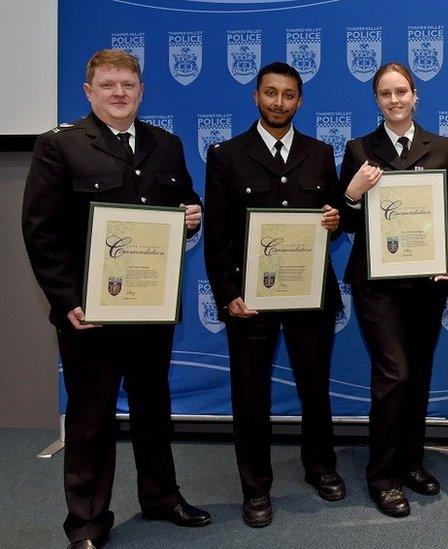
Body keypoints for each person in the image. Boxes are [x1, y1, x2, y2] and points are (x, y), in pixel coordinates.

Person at [21, 48, 210, 548]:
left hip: (149, 309)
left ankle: (161, 496)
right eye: (108, 85)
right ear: (89, 91)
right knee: (89, 418)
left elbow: (183, 206)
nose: (119, 93)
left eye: (128, 84)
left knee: (154, 408)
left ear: (142, 90)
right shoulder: (58, 146)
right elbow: (41, 232)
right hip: (91, 314)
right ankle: (86, 523)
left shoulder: (165, 145)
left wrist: (192, 217)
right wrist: (65, 302)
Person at [203, 61, 344, 528]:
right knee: (250, 396)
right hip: (251, 298)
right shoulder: (226, 155)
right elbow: (218, 235)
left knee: (314, 388)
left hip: (309, 296)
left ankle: (321, 467)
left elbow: (335, 215)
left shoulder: (321, 153)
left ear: (299, 102)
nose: (278, 102)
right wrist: (228, 295)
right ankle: (256, 487)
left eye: (288, 95)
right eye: (270, 93)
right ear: (256, 97)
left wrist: (335, 219)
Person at [338, 62, 448, 518]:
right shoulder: (358, 149)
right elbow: (343, 221)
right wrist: (353, 191)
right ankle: (382, 477)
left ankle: (412, 462)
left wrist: (446, 249)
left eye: (401, 91)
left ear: (415, 96)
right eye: (384, 93)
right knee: (393, 376)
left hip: (427, 282)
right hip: (377, 283)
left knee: (418, 373)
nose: (394, 100)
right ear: (376, 100)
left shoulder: (442, 148)